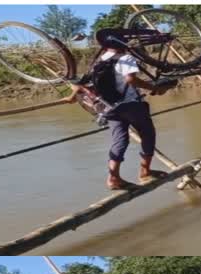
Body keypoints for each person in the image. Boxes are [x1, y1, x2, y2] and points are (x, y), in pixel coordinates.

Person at [64, 29, 174, 191]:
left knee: (120, 141)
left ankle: (113, 178)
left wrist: (72, 96)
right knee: (147, 134)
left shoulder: (99, 60)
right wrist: (154, 88)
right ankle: (145, 171)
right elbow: (131, 79)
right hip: (130, 104)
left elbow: (81, 82)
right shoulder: (125, 57)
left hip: (108, 107)